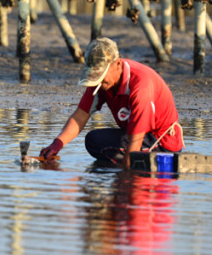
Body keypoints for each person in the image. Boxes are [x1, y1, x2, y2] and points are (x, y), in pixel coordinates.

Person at [39, 37, 184, 169]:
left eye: (101, 75)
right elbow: (80, 116)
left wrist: (125, 181)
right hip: (136, 135)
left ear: (118, 64)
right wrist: (57, 144)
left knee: (128, 168)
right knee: (94, 140)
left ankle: (140, 169)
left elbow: (135, 142)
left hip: (161, 142)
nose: (99, 81)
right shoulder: (100, 84)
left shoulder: (140, 87)